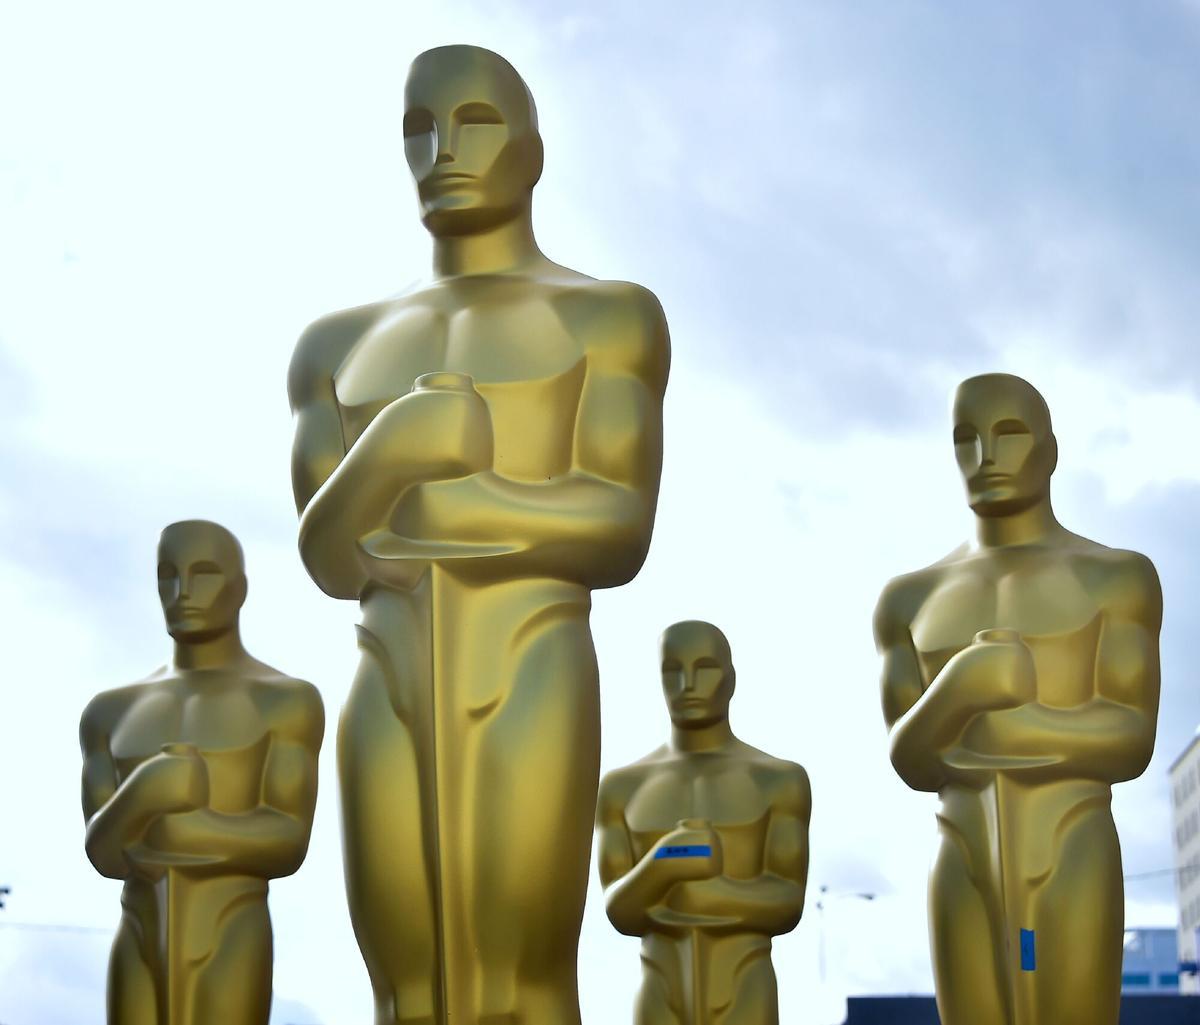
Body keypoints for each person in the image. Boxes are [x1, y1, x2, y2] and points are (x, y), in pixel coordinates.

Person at [287, 45, 669, 1024]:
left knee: (524, 984)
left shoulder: (603, 317)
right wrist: (395, 447)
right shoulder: (337, 345)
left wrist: (453, 503)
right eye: (418, 127)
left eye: (476, 122)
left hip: (530, 655)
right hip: (388, 670)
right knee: (405, 987)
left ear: (533, 153)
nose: (441, 149)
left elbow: (619, 525)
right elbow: (327, 554)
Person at [874, 373, 1161, 1025]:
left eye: (1008, 435)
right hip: (962, 848)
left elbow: (1131, 735)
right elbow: (910, 759)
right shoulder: (909, 598)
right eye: (965, 439)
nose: (986, 458)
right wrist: (961, 688)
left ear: (1049, 450)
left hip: (1073, 841)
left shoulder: (1115, 577)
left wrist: (1013, 728)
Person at [80, 520, 323, 1025]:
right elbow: (102, 853)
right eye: (167, 575)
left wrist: (184, 829)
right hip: (138, 932)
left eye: (205, 573)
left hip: (231, 928)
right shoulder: (109, 713)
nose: (183, 592)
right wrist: (146, 791)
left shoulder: (284, 701)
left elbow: (288, 841)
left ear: (240, 589)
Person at [596, 621, 810, 1025]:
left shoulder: (778, 780)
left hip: (744, 985)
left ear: (730, 679)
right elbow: (620, 912)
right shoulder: (623, 788)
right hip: (660, 990)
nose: (688, 684)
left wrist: (703, 894)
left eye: (705, 667)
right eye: (671, 670)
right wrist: (663, 864)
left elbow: (787, 903)